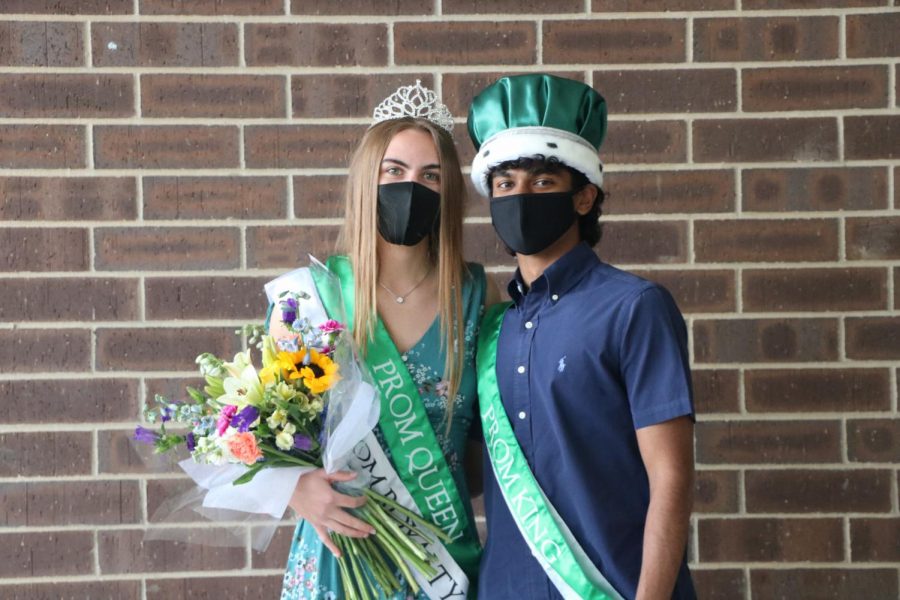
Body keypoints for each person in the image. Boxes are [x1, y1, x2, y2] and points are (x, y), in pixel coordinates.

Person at [469, 74, 696, 599]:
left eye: (543, 182)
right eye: (505, 184)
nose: (520, 197)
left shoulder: (634, 308)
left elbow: (672, 478)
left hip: (614, 586)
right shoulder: (488, 330)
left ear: (584, 197)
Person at [274, 81, 496, 600]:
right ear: (365, 181)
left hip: (440, 565)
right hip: (340, 559)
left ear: (449, 193)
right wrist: (294, 488)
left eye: (430, 176)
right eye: (393, 172)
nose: (410, 186)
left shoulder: (478, 297)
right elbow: (265, 439)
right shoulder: (311, 299)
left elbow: (491, 443)